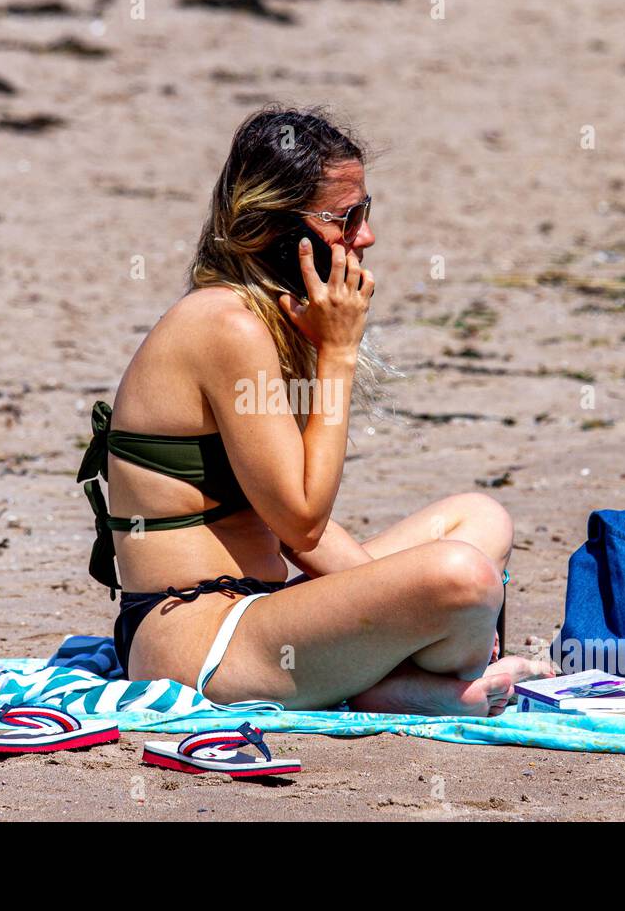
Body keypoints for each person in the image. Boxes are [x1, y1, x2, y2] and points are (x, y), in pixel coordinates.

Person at [76, 107, 550, 716]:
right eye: (345, 219)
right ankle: (416, 689)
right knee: (462, 575)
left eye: (365, 211)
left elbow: (299, 536)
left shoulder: (266, 319)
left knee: (477, 520)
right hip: (198, 644)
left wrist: (386, 601)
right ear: (276, 227)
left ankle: (406, 680)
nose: (366, 237)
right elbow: (302, 523)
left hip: (264, 614)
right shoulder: (227, 327)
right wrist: (339, 354)